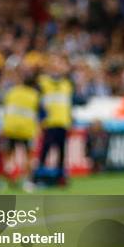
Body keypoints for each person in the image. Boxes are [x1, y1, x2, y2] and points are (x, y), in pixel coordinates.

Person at [36, 54, 73, 185]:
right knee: (45, 151)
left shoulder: (67, 84)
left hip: (63, 123)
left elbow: (68, 104)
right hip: (49, 123)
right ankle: (38, 175)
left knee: (61, 152)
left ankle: (60, 177)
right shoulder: (43, 82)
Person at [0, 73, 39, 190]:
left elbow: (5, 108)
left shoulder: (12, 92)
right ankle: (27, 182)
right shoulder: (34, 95)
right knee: (29, 156)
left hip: (10, 128)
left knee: (8, 155)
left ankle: (9, 179)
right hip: (27, 130)